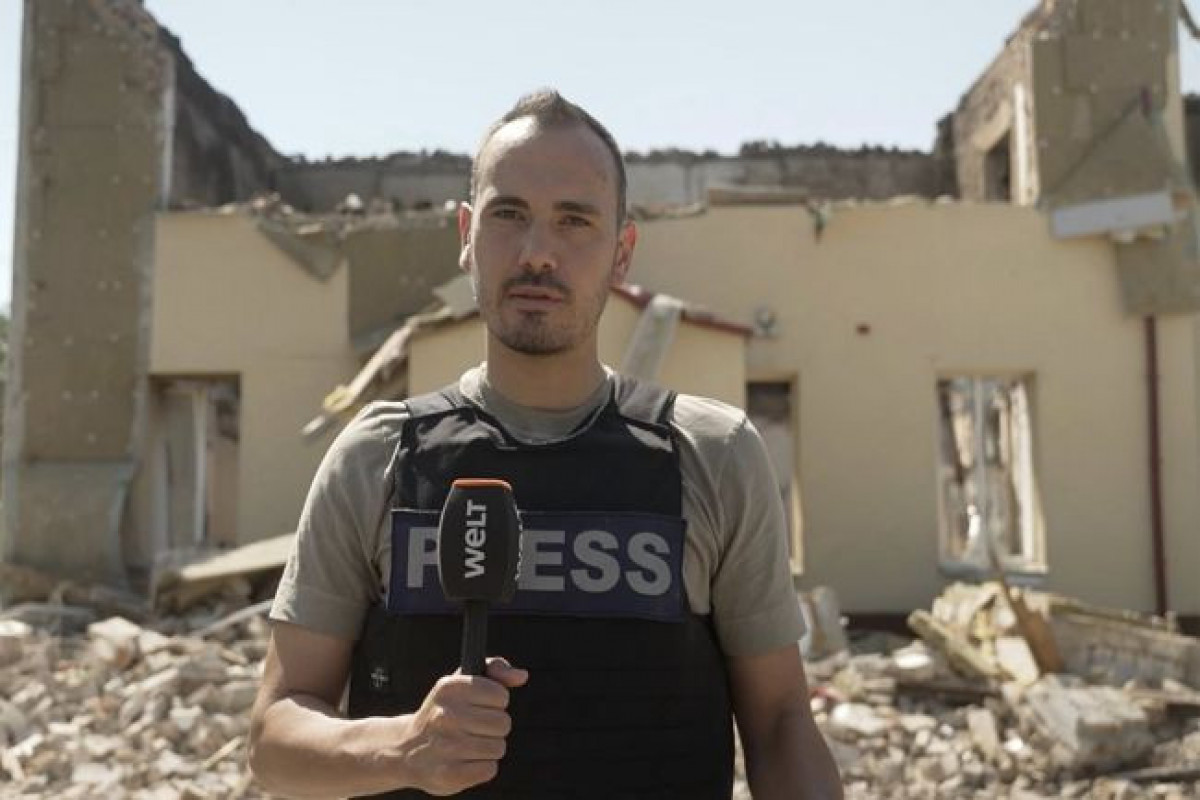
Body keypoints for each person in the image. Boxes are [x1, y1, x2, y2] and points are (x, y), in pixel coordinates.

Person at [248, 89, 844, 800]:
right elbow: (274, 741)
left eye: (574, 221)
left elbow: (779, 724)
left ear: (622, 252)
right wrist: (401, 748)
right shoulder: (380, 458)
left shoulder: (711, 455)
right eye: (509, 215)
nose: (537, 253)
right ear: (466, 235)